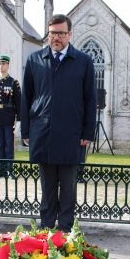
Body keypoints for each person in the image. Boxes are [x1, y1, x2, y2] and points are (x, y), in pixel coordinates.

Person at [21, 14, 97, 232]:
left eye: (61, 33)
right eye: (53, 33)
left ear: (70, 34)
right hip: (42, 133)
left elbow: (90, 99)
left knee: (68, 188)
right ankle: (46, 230)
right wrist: (26, 130)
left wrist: (87, 132)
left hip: (71, 135)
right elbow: (27, 97)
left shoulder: (83, 61)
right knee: (47, 187)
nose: (56, 37)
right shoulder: (35, 59)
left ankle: (64, 231)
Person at [0, 55, 21, 178]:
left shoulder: (13, 82)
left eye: (4, 63)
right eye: (0, 63)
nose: (1, 66)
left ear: (8, 65)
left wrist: (19, 121)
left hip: (8, 117)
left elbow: (18, 102)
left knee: (9, 144)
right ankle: (1, 170)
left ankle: (10, 170)